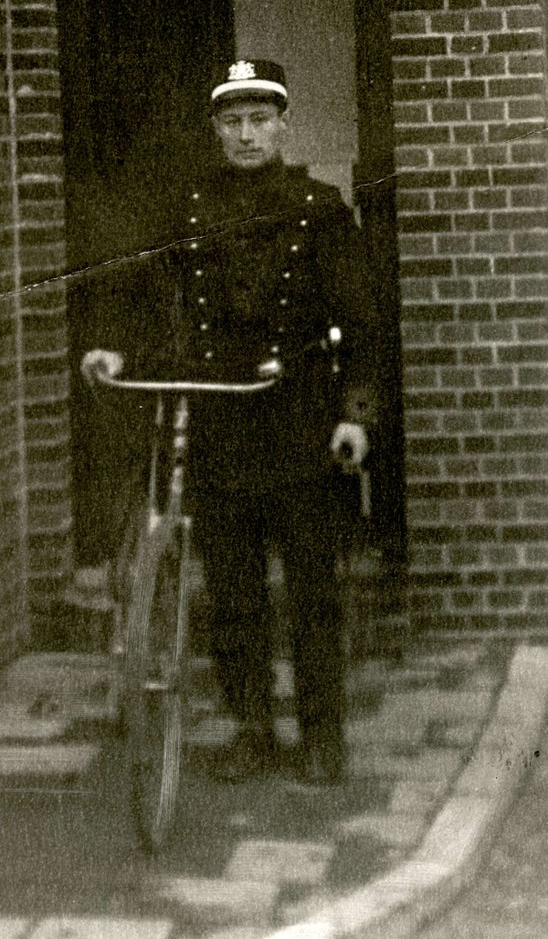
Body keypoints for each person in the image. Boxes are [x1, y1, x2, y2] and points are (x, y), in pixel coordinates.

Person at [82, 58, 380, 785]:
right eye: (233, 122)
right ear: (217, 129)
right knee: (233, 593)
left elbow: (363, 323)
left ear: (283, 124)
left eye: (260, 120)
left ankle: (322, 734)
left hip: (299, 420)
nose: (247, 135)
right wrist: (119, 349)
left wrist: (356, 416)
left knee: (310, 592)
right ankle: (251, 728)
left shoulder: (319, 208)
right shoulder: (189, 211)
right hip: (220, 424)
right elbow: (154, 303)